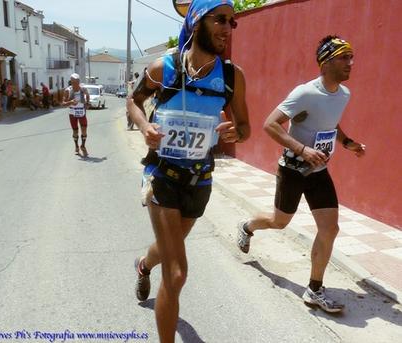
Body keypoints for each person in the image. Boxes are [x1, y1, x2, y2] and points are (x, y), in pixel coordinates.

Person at [127, 1, 250, 341]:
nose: (228, 28)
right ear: (197, 23)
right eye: (220, 20)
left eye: (232, 22)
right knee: (177, 272)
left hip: (200, 179)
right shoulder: (163, 68)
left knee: (171, 246)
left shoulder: (230, 77)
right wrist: (143, 127)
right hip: (162, 175)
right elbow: (134, 101)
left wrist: (234, 132)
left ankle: (143, 264)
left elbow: (245, 127)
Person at [237, 35, 366, 313]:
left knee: (330, 228)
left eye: (351, 57)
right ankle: (247, 227)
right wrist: (302, 149)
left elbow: (331, 123)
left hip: (319, 171)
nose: (350, 63)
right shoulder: (304, 93)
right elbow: (270, 124)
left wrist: (347, 143)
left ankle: (314, 288)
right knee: (278, 222)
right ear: (326, 61)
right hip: (293, 170)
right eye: (344, 57)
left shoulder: (344, 94)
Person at [62, 73, 90, 157]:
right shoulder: (68, 90)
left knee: (84, 129)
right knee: (75, 131)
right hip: (72, 113)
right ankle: (76, 146)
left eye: (76, 82)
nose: (75, 84)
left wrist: (87, 103)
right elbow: (63, 104)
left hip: (81, 112)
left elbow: (87, 96)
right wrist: (70, 102)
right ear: (71, 82)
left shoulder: (83, 89)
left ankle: (83, 146)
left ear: (79, 82)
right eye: (73, 82)